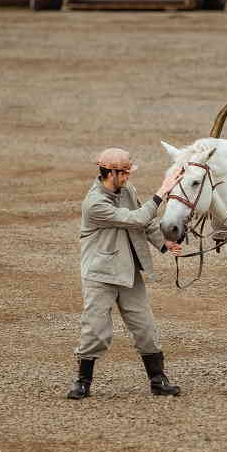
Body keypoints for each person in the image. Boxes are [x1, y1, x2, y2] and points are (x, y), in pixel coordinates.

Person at [67, 147, 184, 400]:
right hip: (100, 275)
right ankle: (82, 381)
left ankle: (158, 380)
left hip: (128, 272)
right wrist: (162, 191)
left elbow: (148, 223)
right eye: (125, 173)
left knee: (145, 326)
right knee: (95, 330)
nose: (128, 177)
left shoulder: (127, 190)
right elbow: (137, 219)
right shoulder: (95, 203)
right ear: (110, 172)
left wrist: (165, 245)